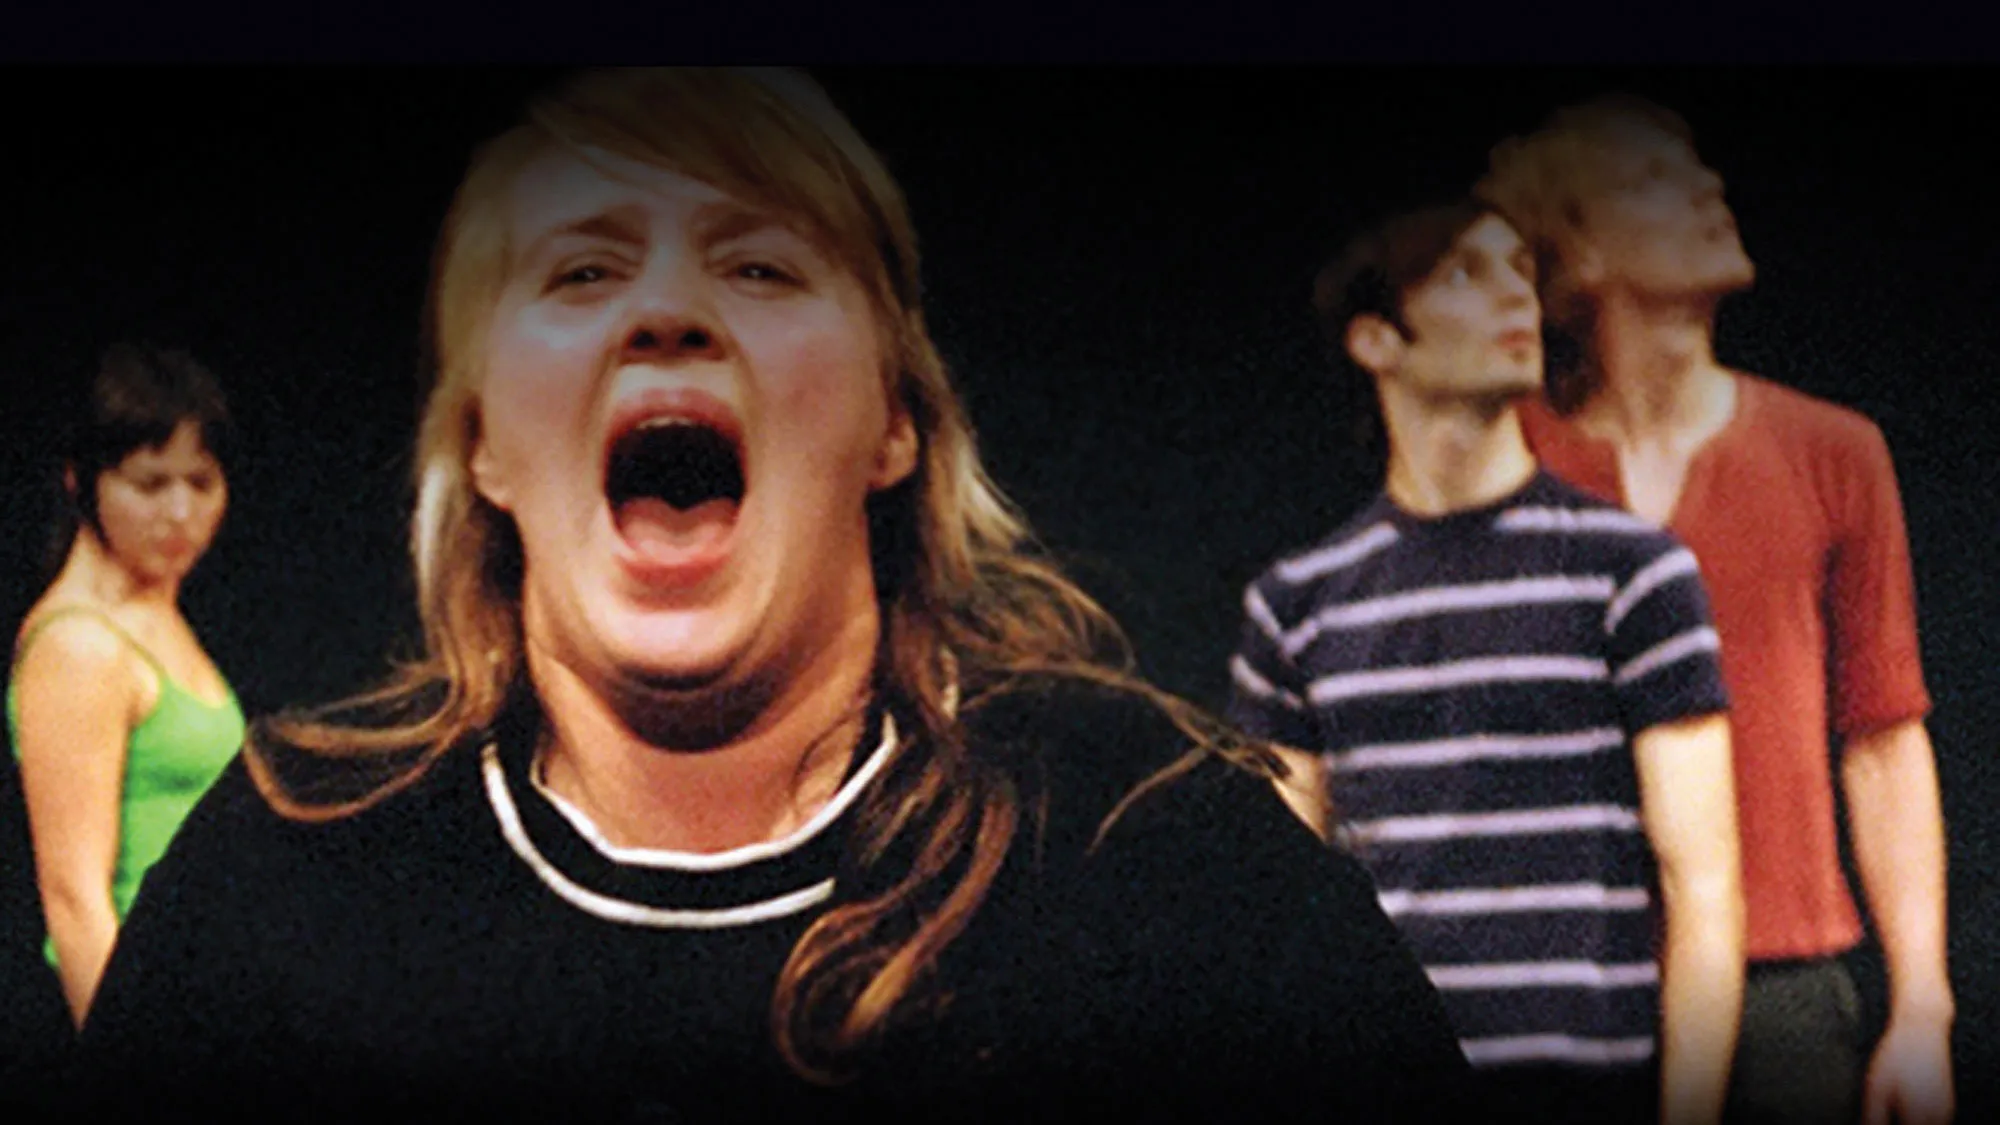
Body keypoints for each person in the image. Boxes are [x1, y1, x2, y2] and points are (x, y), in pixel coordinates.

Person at [65, 68, 1468, 1121]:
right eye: (583, 268)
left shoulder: (1159, 858)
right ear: (486, 438)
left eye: (759, 262)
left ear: (894, 422)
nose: (666, 311)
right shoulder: (285, 882)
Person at [1477, 95, 1954, 1125]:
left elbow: (1881, 732)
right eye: (1655, 180)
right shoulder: (1505, 458)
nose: (1707, 192)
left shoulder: (1832, 451)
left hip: (1784, 977)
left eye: (1699, 171)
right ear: (1577, 250)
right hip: (1561, 982)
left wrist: (1919, 1005)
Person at [1226, 199, 1744, 1125]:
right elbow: (1279, 891)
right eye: (1467, 271)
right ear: (1376, 339)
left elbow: (1701, 884)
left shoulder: (1631, 571)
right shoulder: (1297, 603)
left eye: (1518, 269)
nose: (1515, 295)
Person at [7, 343, 245, 1031]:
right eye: (149, 483)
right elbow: (74, 899)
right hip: (143, 1009)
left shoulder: (155, 608)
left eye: (200, 482)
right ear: (82, 482)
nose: (179, 512)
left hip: (206, 993)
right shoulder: (78, 646)